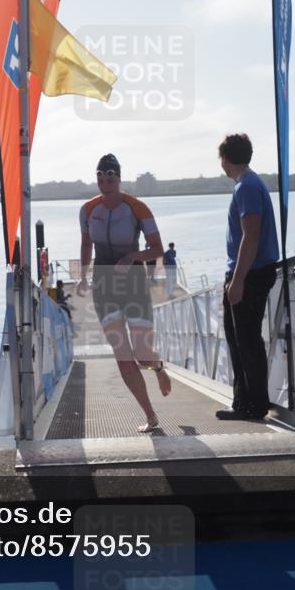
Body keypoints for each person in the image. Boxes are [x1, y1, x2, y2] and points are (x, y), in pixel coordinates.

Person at [78, 153, 171, 432]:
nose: (105, 184)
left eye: (110, 178)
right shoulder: (87, 209)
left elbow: (157, 249)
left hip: (133, 283)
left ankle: (157, 367)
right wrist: (83, 276)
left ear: (119, 179)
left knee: (141, 354)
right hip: (104, 286)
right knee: (123, 354)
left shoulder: (137, 208)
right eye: (100, 178)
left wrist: (132, 256)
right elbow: (86, 244)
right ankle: (150, 415)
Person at [216, 134, 281, 421]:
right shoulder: (250, 184)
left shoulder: (246, 187)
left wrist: (237, 280)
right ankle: (244, 402)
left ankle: (253, 405)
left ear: (225, 159)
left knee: (246, 341)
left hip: (251, 273)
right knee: (239, 339)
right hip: (250, 271)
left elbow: (250, 236)